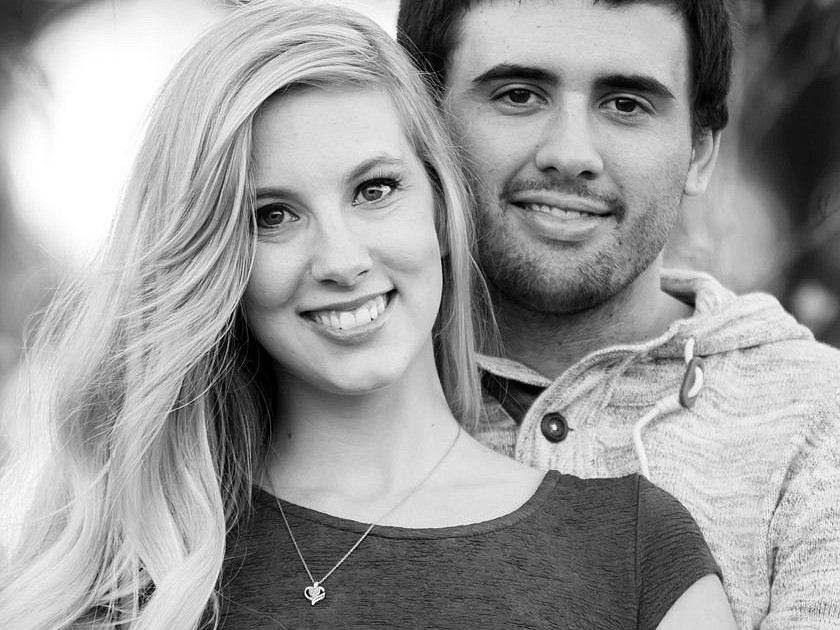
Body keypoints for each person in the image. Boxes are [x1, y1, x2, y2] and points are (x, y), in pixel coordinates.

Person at [0, 1, 737, 629]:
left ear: (442, 207)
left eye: (375, 190)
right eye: (273, 215)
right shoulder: (133, 568)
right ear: (217, 257)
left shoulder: (636, 550)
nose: (341, 259)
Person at [396, 0, 840, 627]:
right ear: (421, 123)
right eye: (519, 95)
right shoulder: (311, 396)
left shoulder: (819, 421)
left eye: (626, 104)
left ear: (701, 153)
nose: (571, 153)